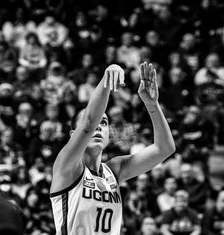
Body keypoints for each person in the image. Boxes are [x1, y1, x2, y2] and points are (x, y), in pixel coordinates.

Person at [50, 62, 175, 235]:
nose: (98, 126)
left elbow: (164, 148)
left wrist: (152, 104)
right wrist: (107, 79)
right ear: (73, 134)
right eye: (96, 122)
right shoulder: (66, 167)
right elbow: (88, 123)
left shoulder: (114, 170)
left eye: (104, 123)